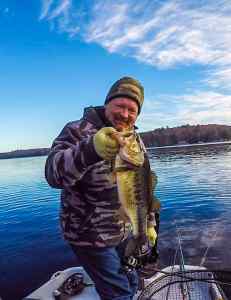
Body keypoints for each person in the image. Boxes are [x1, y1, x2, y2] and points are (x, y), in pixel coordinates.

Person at [45, 76, 160, 300]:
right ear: (108, 103)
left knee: (132, 278)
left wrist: (149, 224)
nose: (125, 114)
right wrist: (91, 150)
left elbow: (144, 188)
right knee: (118, 292)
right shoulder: (76, 130)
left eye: (132, 110)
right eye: (120, 106)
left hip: (125, 229)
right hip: (90, 235)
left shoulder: (134, 138)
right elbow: (52, 174)